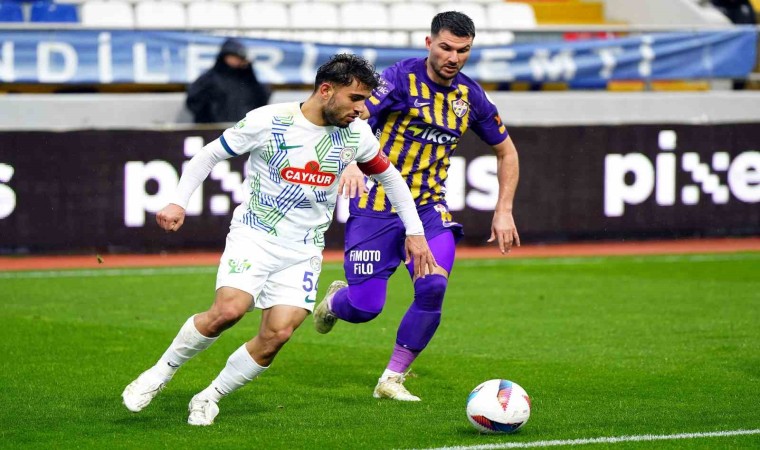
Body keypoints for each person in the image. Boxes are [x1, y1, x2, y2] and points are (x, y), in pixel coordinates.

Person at [122, 54, 436, 426]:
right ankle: (159, 373)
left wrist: (415, 232)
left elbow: (391, 179)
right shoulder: (269, 120)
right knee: (228, 311)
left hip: (303, 249)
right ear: (326, 90)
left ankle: (209, 397)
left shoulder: (356, 134)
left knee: (278, 334)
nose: (362, 109)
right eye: (355, 98)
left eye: (365, 100)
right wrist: (178, 201)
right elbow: (209, 154)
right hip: (255, 236)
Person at [314, 12, 520, 402]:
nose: (454, 58)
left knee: (433, 287)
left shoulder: (470, 96)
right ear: (429, 43)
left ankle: (391, 378)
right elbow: (354, 115)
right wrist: (352, 162)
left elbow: (506, 151)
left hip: (428, 209)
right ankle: (336, 301)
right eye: (446, 47)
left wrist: (504, 209)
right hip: (376, 206)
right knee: (365, 308)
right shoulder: (397, 79)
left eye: (463, 50)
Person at [186, 38, 271, 124]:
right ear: (224, 57)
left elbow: (261, 102)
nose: (235, 60)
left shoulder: (247, 80)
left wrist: (250, 74)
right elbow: (194, 103)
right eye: (232, 56)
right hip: (215, 129)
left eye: (239, 58)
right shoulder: (209, 79)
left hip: (243, 128)